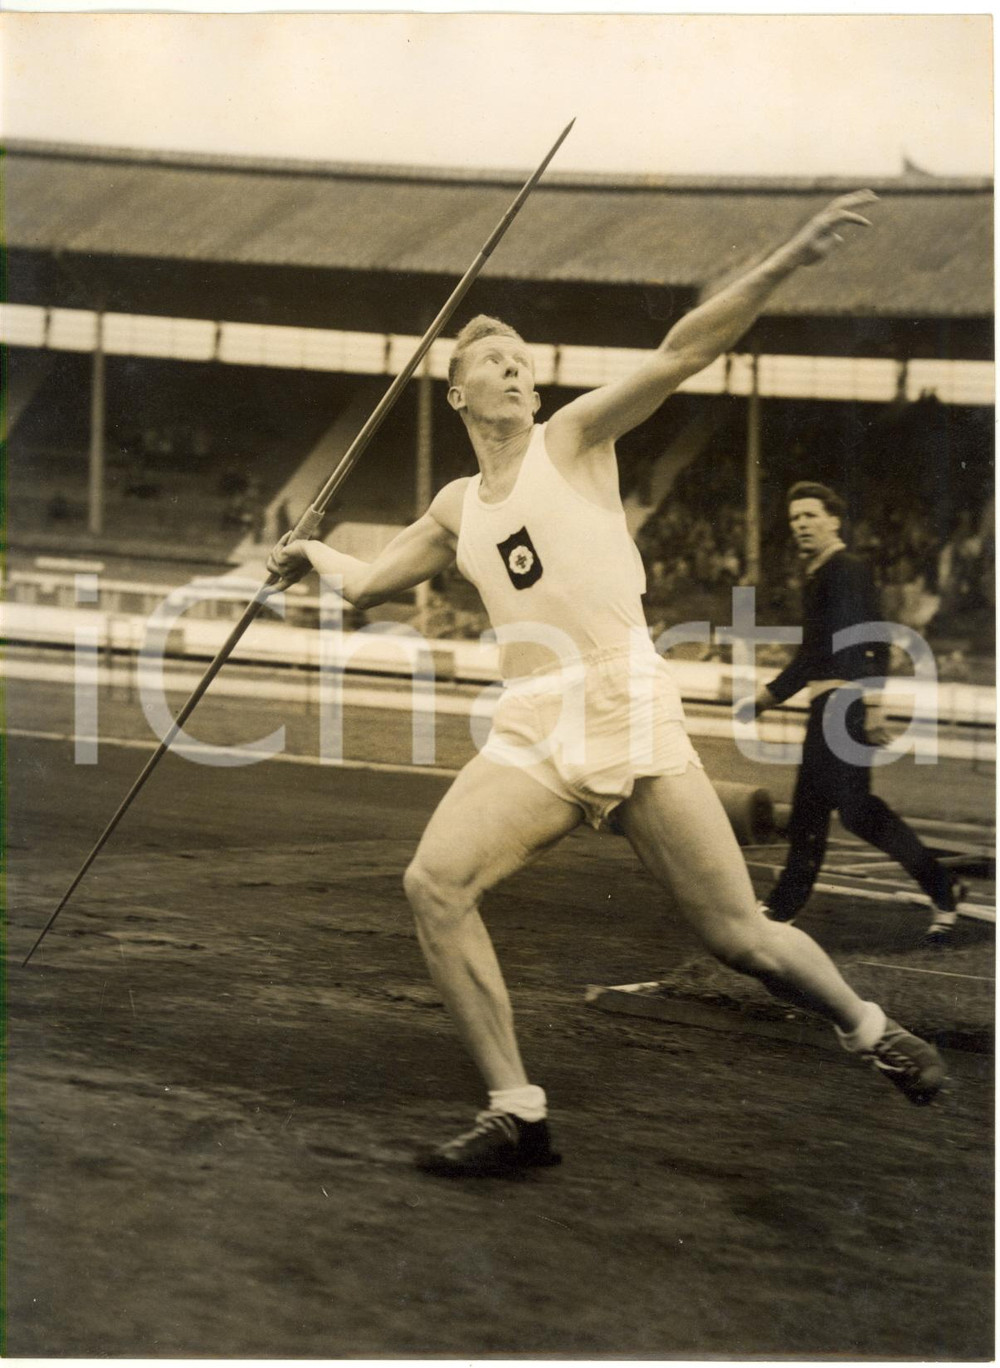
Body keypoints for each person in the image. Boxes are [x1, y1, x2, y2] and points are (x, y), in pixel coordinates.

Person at [269, 192, 947, 1179]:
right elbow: (369, 586)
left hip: (622, 699)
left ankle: (867, 1026)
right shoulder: (457, 505)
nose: (515, 368)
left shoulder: (573, 440)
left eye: (521, 360)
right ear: (455, 395)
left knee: (737, 937)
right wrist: (310, 553)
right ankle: (517, 1111)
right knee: (435, 885)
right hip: (532, 725)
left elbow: (682, 350)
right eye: (492, 362)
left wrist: (788, 256)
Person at [745, 482, 965, 943]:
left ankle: (941, 889)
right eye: (794, 519)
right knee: (836, 811)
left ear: (834, 520)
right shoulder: (820, 574)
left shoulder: (847, 570)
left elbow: (875, 640)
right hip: (827, 704)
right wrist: (768, 696)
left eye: (809, 516)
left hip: (845, 705)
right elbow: (812, 653)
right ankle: (784, 908)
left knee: (836, 811)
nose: (800, 525)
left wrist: (874, 706)